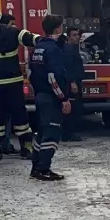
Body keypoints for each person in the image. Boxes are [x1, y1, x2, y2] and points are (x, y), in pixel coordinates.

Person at [28, 14, 71, 181]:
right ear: (58, 28)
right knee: (52, 133)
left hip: (40, 95)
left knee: (42, 132)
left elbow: (30, 73)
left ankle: (36, 167)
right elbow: (53, 77)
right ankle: (43, 169)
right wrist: (63, 98)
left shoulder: (37, 47)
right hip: (51, 97)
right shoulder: (53, 50)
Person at [0, 12, 39, 160]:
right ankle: (26, 148)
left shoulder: (12, 31)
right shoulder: (12, 31)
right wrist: (44, 40)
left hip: (8, 84)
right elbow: (30, 38)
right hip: (14, 84)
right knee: (20, 117)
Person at [62, 27, 85, 142]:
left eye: (78, 35)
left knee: (76, 108)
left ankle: (69, 133)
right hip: (71, 84)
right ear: (68, 37)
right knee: (72, 109)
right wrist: (72, 82)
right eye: (74, 35)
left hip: (75, 81)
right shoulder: (68, 49)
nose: (77, 37)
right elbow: (68, 67)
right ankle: (68, 134)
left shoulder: (73, 48)